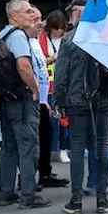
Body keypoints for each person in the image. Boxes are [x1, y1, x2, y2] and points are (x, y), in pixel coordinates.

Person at [57, 0, 108, 214]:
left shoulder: (68, 39)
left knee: (77, 148)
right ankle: (102, 200)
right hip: (102, 99)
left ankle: (76, 201)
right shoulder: (105, 36)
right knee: (101, 146)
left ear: (78, 12)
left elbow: (61, 74)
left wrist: (59, 100)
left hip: (76, 100)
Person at [0, 0, 51, 210]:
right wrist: (35, 88)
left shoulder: (3, 34)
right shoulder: (18, 36)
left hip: (7, 100)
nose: (32, 14)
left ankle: (6, 192)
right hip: (22, 98)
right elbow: (23, 66)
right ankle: (29, 196)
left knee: (9, 146)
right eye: (27, 12)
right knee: (27, 146)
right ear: (15, 16)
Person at [29, 7, 68, 189]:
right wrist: (52, 59)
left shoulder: (36, 39)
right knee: (38, 136)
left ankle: (44, 171)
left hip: (46, 92)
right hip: (41, 93)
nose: (40, 24)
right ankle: (32, 176)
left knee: (49, 131)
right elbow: (31, 64)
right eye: (36, 20)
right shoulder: (34, 40)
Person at [39, 9, 70, 163]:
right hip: (49, 86)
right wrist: (53, 58)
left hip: (65, 86)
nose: (59, 31)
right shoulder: (41, 39)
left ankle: (64, 149)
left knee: (64, 120)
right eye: (55, 28)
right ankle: (52, 150)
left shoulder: (68, 39)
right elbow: (38, 61)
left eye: (61, 28)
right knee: (51, 120)